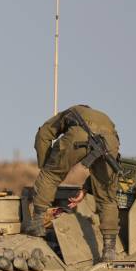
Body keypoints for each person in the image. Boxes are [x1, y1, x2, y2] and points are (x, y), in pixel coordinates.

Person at [26, 105, 121, 261]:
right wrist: (86, 189)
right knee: (107, 196)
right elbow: (105, 175)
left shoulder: (69, 113)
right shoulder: (105, 119)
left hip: (79, 136)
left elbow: (43, 135)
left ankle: (37, 223)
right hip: (110, 143)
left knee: (50, 175)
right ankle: (109, 248)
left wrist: (46, 165)